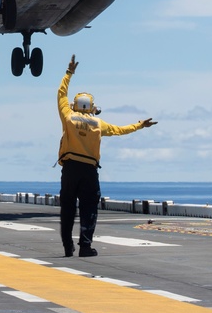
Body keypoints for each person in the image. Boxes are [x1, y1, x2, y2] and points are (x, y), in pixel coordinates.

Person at [57, 54, 157, 257]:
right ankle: (85, 246)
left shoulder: (68, 116)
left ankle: (68, 246)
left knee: (67, 208)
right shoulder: (98, 124)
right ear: (92, 108)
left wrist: (69, 73)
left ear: (75, 105)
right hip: (89, 171)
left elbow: (61, 94)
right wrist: (140, 125)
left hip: (70, 169)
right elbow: (121, 130)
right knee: (89, 209)